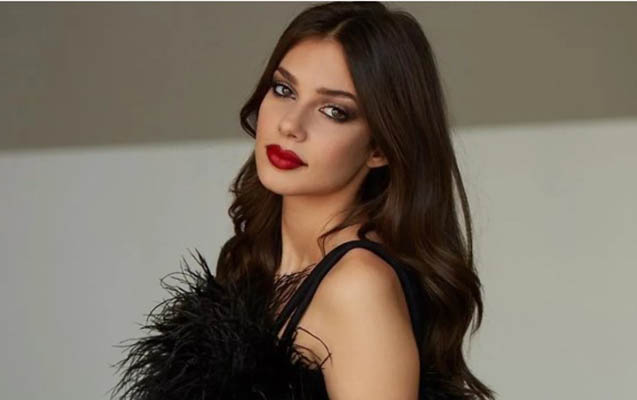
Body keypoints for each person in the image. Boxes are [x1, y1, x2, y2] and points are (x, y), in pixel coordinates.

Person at [110, 2, 496, 400]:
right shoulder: (261, 268)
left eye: (333, 111)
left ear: (379, 148)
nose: (290, 125)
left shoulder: (357, 287)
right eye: (284, 90)